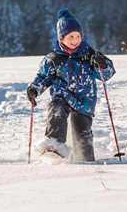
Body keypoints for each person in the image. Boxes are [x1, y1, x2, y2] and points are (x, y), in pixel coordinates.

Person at [26, 9, 115, 162]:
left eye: (78, 36)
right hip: (63, 96)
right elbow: (43, 77)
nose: (75, 40)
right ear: (61, 38)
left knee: (82, 132)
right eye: (71, 36)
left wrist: (102, 65)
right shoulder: (53, 59)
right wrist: (34, 89)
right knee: (56, 110)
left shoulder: (89, 56)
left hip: (84, 101)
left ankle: (86, 159)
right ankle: (54, 143)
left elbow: (107, 74)